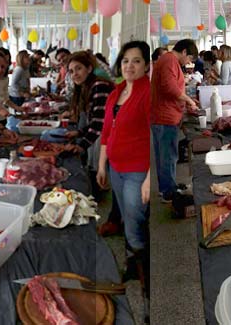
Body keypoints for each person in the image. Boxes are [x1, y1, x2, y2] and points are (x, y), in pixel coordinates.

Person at [96, 39, 151, 312]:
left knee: (135, 223)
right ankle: (132, 266)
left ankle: (145, 279)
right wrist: (102, 165)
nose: (130, 65)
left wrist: (149, 179)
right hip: (116, 168)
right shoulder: (115, 93)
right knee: (128, 220)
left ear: (146, 65)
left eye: (137, 60)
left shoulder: (148, 94)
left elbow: (158, 139)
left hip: (138, 172)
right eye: (126, 60)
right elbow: (106, 133)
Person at [151, 39, 199, 202]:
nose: (189, 63)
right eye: (190, 58)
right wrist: (189, 100)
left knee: (165, 155)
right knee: (168, 155)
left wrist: (187, 100)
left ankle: (167, 186)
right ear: (184, 52)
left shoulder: (168, 60)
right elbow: (170, 88)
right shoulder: (169, 60)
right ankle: (167, 192)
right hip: (165, 117)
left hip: (164, 115)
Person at [62, 51, 114, 177]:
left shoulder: (99, 86)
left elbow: (99, 123)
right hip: (102, 138)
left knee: (104, 178)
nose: (75, 74)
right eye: (71, 71)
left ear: (89, 68)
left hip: (112, 140)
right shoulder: (87, 86)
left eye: (78, 69)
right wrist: (79, 133)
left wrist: (81, 146)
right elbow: (94, 120)